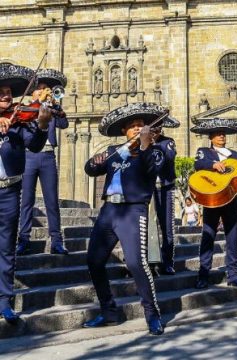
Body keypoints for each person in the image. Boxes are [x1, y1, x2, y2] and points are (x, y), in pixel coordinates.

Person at [82, 103, 171, 336]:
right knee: (94, 260)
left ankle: (152, 315)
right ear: (124, 131)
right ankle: (108, 311)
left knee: (136, 263)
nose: (136, 129)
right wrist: (95, 161)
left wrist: (144, 144)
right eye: (132, 127)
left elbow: (151, 169)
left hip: (133, 211)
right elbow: (90, 170)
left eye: (140, 126)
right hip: (109, 210)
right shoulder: (114, 151)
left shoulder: (155, 150)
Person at [0, 63, 51, 323]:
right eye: (2, 93)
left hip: (8, 190)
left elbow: (34, 145)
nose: (7, 96)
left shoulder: (18, 121)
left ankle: (5, 300)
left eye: (9, 92)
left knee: (7, 246)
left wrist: (42, 125)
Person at [190, 118, 237, 298]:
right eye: (217, 133)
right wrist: (213, 165)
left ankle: (233, 274)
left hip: (230, 198)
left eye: (223, 133)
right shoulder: (204, 152)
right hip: (212, 198)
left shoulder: (235, 155)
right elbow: (198, 164)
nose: (221, 136)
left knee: (233, 237)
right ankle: (203, 274)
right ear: (211, 137)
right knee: (208, 235)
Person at [16, 69, 69, 256]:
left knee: (52, 201)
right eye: (40, 89)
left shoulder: (52, 109)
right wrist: (38, 106)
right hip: (29, 155)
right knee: (27, 200)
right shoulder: (28, 108)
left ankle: (56, 241)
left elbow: (64, 125)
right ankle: (23, 239)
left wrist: (57, 106)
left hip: (47, 155)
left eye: (46, 88)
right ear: (33, 92)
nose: (44, 91)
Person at [153, 118, 180, 276]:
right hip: (147, 189)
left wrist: (153, 145)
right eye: (153, 128)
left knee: (167, 228)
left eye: (158, 129)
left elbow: (169, 156)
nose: (156, 132)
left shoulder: (167, 142)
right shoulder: (140, 143)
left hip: (165, 188)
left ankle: (167, 262)